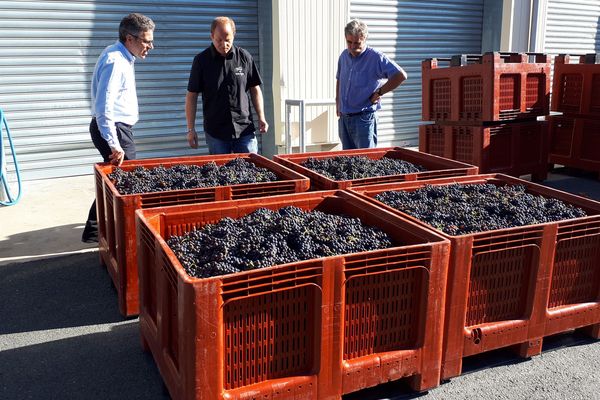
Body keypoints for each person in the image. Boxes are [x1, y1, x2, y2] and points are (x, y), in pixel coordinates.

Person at [81, 13, 155, 243]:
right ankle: (107, 230)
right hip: (113, 129)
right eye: (146, 41)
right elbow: (103, 107)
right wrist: (114, 143)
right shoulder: (115, 61)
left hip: (118, 128)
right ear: (129, 38)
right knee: (126, 180)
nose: (150, 46)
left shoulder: (122, 56)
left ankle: (95, 229)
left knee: (116, 180)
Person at [185, 16, 268, 155]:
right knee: (221, 174)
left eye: (228, 40)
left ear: (234, 36)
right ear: (211, 36)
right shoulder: (201, 61)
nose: (224, 44)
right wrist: (190, 129)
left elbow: (255, 88)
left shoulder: (245, 57)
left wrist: (262, 117)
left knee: (251, 172)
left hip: (244, 130)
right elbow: (191, 96)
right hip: (216, 133)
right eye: (219, 40)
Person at [336, 19, 407, 149]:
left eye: (357, 43)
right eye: (349, 42)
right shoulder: (343, 56)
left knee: (365, 162)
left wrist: (380, 92)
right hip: (345, 119)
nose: (352, 47)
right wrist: (338, 104)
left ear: (365, 39)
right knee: (346, 161)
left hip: (364, 119)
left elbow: (400, 75)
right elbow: (339, 79)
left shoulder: (375, 57)